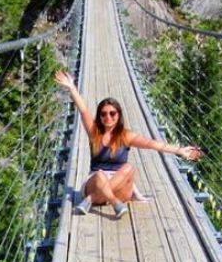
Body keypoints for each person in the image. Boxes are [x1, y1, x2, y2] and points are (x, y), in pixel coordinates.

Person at [54, 70, 202, 218]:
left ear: (119, 115)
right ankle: (114, 203)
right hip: (97, 183)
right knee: (99, 175)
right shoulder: (94, 133)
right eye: (103, 114)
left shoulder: (126, 136)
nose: (108, 117)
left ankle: (90, 199)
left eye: (112, 113)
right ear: (99, 116)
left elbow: (152, 144)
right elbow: (83, 110)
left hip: (118, 189)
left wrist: (179, 150)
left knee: (129, 168)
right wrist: (71, 87)